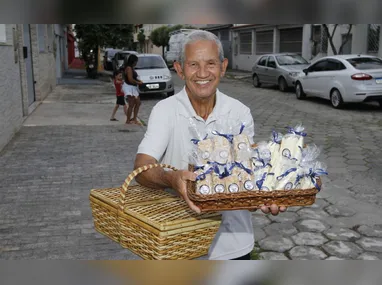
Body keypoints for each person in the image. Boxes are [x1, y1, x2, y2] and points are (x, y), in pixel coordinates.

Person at [133, 30, 287, 260]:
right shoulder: (165, 111)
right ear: (180, 69)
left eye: (211, 63)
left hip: (233, 245)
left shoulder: (239, 112)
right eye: (193, 64)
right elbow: (141, 167)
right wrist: (171, 179)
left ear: (223, 67)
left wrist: (264, 195)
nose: (203, 73)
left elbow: (246, 175)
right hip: (181, 243)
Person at [123, 54, 143, 125]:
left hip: (133, 87)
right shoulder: (129, 68)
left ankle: (134, 119)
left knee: (138, 102)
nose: (136, 63)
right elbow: (130, 79)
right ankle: (128, 120)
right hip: (129, 87)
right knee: (131, 104)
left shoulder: (131, 68)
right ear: (133, 61)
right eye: (136, 61)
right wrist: (138, 82)